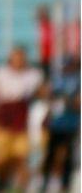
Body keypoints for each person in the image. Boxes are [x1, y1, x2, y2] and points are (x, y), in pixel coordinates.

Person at [0, 45, 44, 193]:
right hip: (3, 122)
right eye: (16, 57)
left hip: (21, 123)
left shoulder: (33, 75)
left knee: (21, 160)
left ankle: (24, 188)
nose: (19, 60)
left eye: (21, 57)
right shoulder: (1, 73)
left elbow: (42, 92)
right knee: (1, 161)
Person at [40, 54, 79, 193]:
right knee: (50, 155)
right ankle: (44, 184)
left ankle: (65, 186)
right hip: (55, 124)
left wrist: (66, 100)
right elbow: (48, 98)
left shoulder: (77, 80)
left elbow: (78, 103)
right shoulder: (58, 80)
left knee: (68, 157)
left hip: (70, 125)